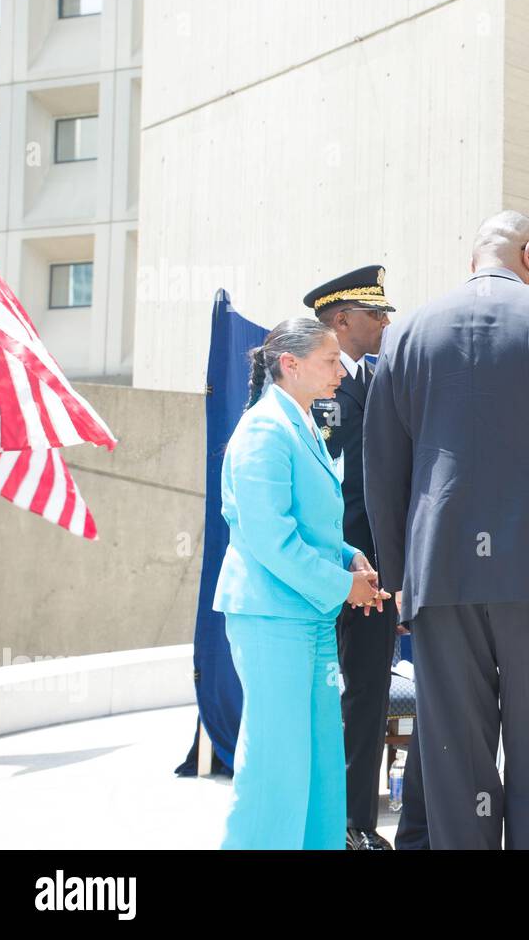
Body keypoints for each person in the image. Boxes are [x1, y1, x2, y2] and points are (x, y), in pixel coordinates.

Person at [363, 210, 529, 850]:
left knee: (455, 764)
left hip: (442, 577)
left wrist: (400, 579)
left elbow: (383, 471)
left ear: (474, 262)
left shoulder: (407, 334)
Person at [214, 318, 388, 850]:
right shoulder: (266, 429)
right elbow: (270, 538)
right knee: (276, 763)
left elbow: (307, 523)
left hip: (305, 617)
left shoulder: (301, 421)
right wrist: (344, 586)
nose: (340, 370)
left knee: (318, 762)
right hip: (272, 618)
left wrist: (348, 554)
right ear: (290, 364)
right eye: (330, 361)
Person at [305, 266, 403, 851]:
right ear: (342, 320)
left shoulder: (380, 380)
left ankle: (355, 824)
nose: (386, 322)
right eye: (376, 313)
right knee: (312, 697)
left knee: (364, 694)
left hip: (374, 575)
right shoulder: (301, 385)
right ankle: (317, 820)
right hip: (317, 572)